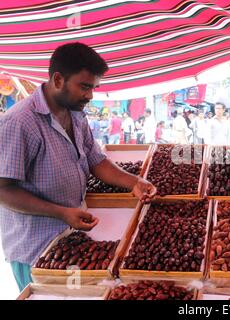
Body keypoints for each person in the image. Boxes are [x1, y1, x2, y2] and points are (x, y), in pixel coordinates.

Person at [0, 42, 157, 291]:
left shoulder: (75, 114)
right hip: (34, 249)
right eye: (84, 87)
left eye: (93, 88)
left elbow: (96, 160)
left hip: (71, 239)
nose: (90, 95)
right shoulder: (19, 122)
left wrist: (134, 182)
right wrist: (62, 212)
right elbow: (3, 190)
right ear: (59, 79)